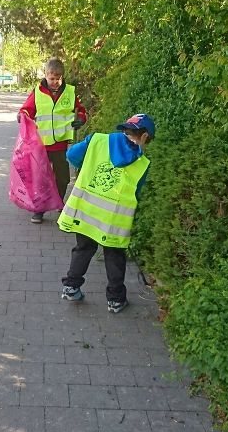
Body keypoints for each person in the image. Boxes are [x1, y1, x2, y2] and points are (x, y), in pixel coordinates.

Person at [56, 114, 155, 314]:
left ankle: (71, 286)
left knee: (83, 248)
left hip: (86, 211)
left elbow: (72, 156)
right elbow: (136, 192)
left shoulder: (97, 140)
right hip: (114, 219)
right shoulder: (142, 164)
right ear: (145, 137)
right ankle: (116, 300)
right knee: (115, 256)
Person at [17, 57, 87, 223]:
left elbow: (81, 111)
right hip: (41, 144)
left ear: (62, 76)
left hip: (61, 144)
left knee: (62, 178)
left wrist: (82, 119)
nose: (55, 82)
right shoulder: (38, 92)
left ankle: (57, 202)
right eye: (51, 78)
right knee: (40, 177)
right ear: (46, 75)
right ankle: (39, 209)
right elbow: (27, 109)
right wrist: (22, 116)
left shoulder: (69, 92)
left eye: (58, 78)